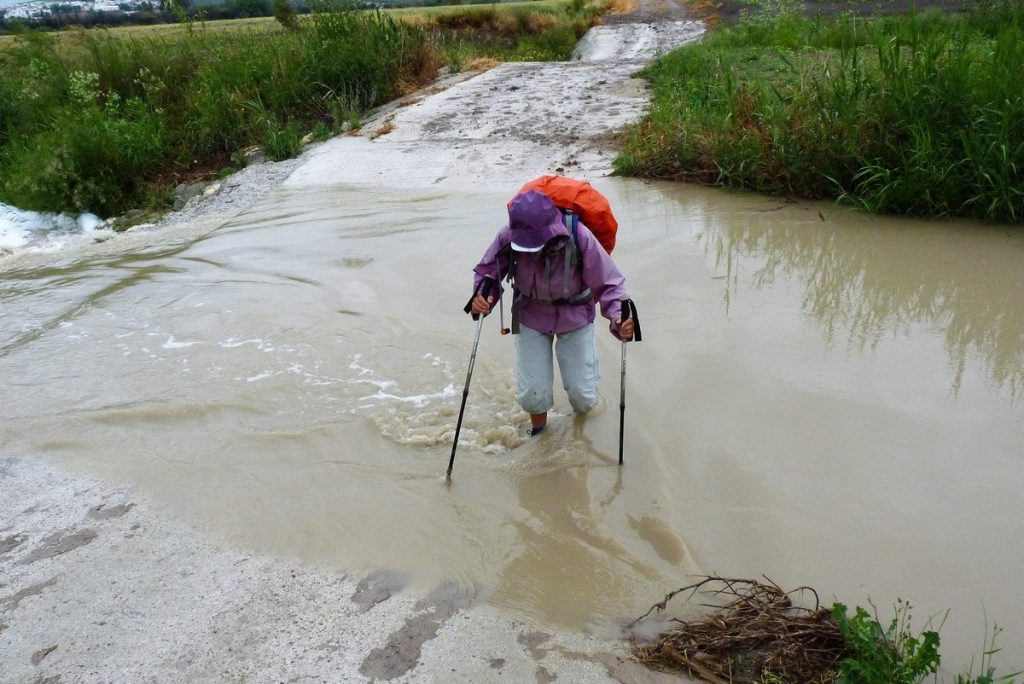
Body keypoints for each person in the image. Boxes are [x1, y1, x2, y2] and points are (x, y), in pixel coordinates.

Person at [470, 189, 635, 435]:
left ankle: (581, 433)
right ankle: (539, 435)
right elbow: (488, 273)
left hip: (575, 316)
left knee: (583, 398)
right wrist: (480, 299)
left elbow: (610, 283)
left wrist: (619, 317)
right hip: (529, 315)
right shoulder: (508, 236)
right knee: (532, 394)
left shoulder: (579, 236)